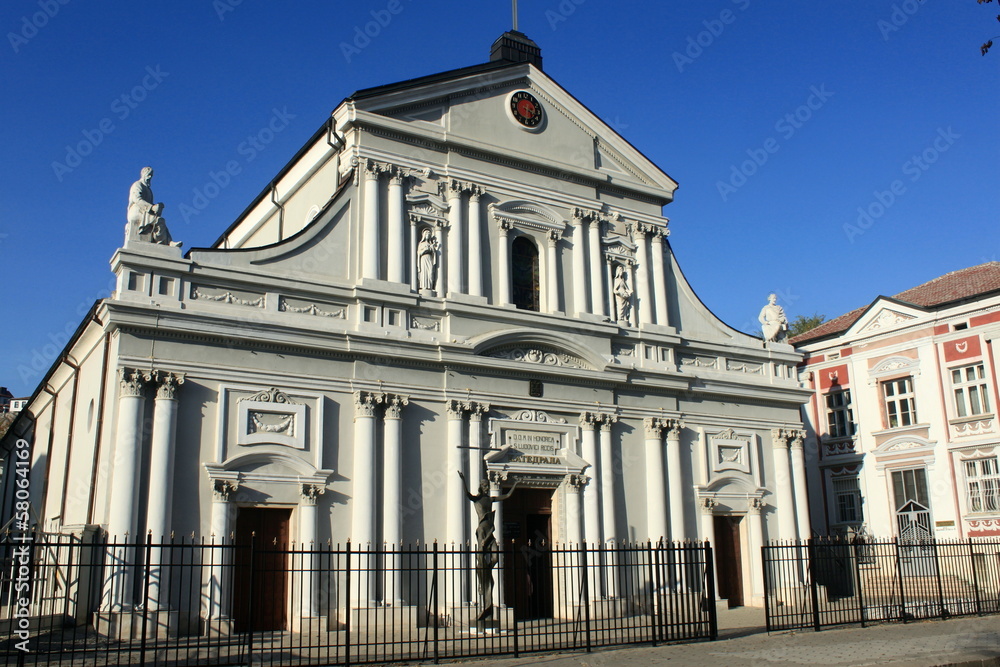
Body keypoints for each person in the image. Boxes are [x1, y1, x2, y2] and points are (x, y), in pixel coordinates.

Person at [458, 471, 519, 623]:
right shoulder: (477, 499)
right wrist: (464, 479)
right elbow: (466, 494)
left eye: (487, 485)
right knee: (480, 560)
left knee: (495, 558)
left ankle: (484, 579)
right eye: (484, 485)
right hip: (482, 532)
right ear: (480, 486)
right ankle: (482, 582)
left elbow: (506, 496)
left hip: (490, 532)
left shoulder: (490, 499)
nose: (486, 487)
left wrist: (515, 485)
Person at [126, 167, 179, 246]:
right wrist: (152, 207)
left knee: (160, 220)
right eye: (148, 175)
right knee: (159, 220)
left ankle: (167, 242)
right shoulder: (137, 185)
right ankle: (166, 242)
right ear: (143, 174)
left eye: (151, 175)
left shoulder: (148, 189)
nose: (150, 177)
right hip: (136, 211)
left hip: (145, 211)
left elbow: (149, 203)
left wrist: (158, 206)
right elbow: (137, 199)